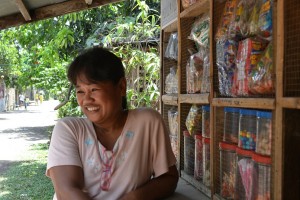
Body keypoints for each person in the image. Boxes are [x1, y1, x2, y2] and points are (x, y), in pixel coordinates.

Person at [46, 47, 179, 200]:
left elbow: (169, 178)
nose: (87, 100)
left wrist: (134, 197)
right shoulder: (69, 129)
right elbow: (67, 191)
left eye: (94, 89)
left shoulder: (148, 122)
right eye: (80, 91)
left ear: (121, 87)